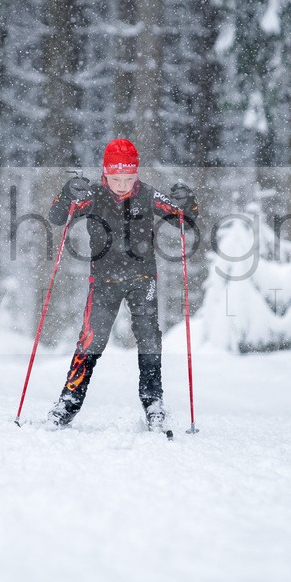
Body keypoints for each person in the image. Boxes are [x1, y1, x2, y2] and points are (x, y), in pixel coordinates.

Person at [46, 138, 198, 431]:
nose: (122, 185)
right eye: (116, 178)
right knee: (91, 340)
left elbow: (185, 219)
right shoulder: (93, 195)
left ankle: (153, 402)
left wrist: (186, 201)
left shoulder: (148, 194)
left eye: (128, 178)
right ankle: (68, 402)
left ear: (136, 174)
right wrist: (67, 194)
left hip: (142, 278)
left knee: (149, 338)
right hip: (103, 280)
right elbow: (57, 216)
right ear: (105, 173)